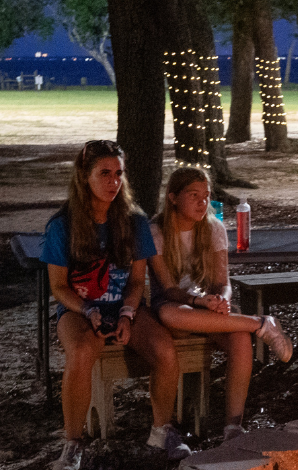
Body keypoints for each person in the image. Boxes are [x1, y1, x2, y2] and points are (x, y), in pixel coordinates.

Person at [42, 140, 190, 469]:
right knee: (81, 351)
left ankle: (161, 431)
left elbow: (137, 281)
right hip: (80, 310)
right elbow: (59, 287)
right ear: (84, 176)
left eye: (118, 174)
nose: (113, 182)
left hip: (124, 307)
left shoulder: (133, 221)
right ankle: (73, 445)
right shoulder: (62, 225)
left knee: (165, 350)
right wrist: (89, 310)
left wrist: (126, 312)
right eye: (104, 174)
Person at [147, 167, 295, 442]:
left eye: (206, 196)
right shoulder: (156, 231)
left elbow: (223, 282)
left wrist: (222, 302)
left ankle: (233, 426)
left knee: (239, 338)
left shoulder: (213, 228)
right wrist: (198, 300)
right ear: (173, 198)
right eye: (194, 196)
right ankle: (262, 323)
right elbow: (167, 289)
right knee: (171, 315)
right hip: (174, 307)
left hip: (208, 308)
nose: (202, 203)